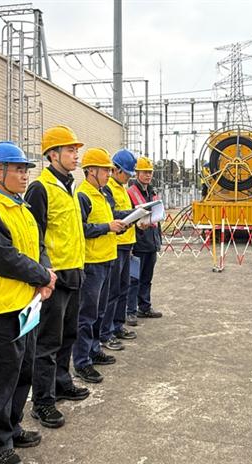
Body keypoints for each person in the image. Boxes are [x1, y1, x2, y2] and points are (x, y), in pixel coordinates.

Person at [0, 142, 56, 464]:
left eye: (24, 169)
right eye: (17, 169)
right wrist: (42, 276)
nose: (24, 175)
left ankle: (12, 427)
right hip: (0, 311)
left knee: (22, 373)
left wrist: (45, 275)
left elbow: (38, 247)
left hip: (27, 307)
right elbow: (4, 259)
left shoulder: (23, 211)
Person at [24, 125, 90, 431]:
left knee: (68, 335)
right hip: (54, 277)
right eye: (70, 150)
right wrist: (44, 273)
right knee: (47, 343)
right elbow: (34, 235)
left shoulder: (70, 186)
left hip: (75, 270)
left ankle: (62, 383)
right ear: (52, 154)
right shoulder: (41, 188)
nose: (76, 156)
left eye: (76, 151)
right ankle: (42, 401)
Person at [72, 148, 126, 383]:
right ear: (91, 171)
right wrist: (107, 227)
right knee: (87, 314)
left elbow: (107, 219)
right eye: (105, 170)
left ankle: (94, 350)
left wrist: (121, 223)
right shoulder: (83, 195)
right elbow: (81, 229)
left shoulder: (102, 194)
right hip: (91, 262)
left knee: (100, 311)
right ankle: (82, 361)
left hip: (107, 258)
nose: (109, 174)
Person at [100, 149, 141, 347]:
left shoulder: (122, 188)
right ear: (116, 170)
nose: (128, 178)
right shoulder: (107, 189)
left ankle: (117, 325)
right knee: (112, 291)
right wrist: (134, 213)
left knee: (123, 288)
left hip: (126, 244)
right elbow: (112, 215)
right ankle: (105, 332)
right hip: (114, 245)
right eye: (126, 173)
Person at [126, 156, 163, 322]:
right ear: (137, 173)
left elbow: (156, 219)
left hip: (151, 242)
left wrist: (158, 241)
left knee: (147, 278)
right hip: (138, 243)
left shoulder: (152, 192)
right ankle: (130, 311)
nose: (148, 175)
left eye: (150, 172)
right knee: (134, 278)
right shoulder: (130, 193)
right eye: (145, 172)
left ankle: (144, 307)